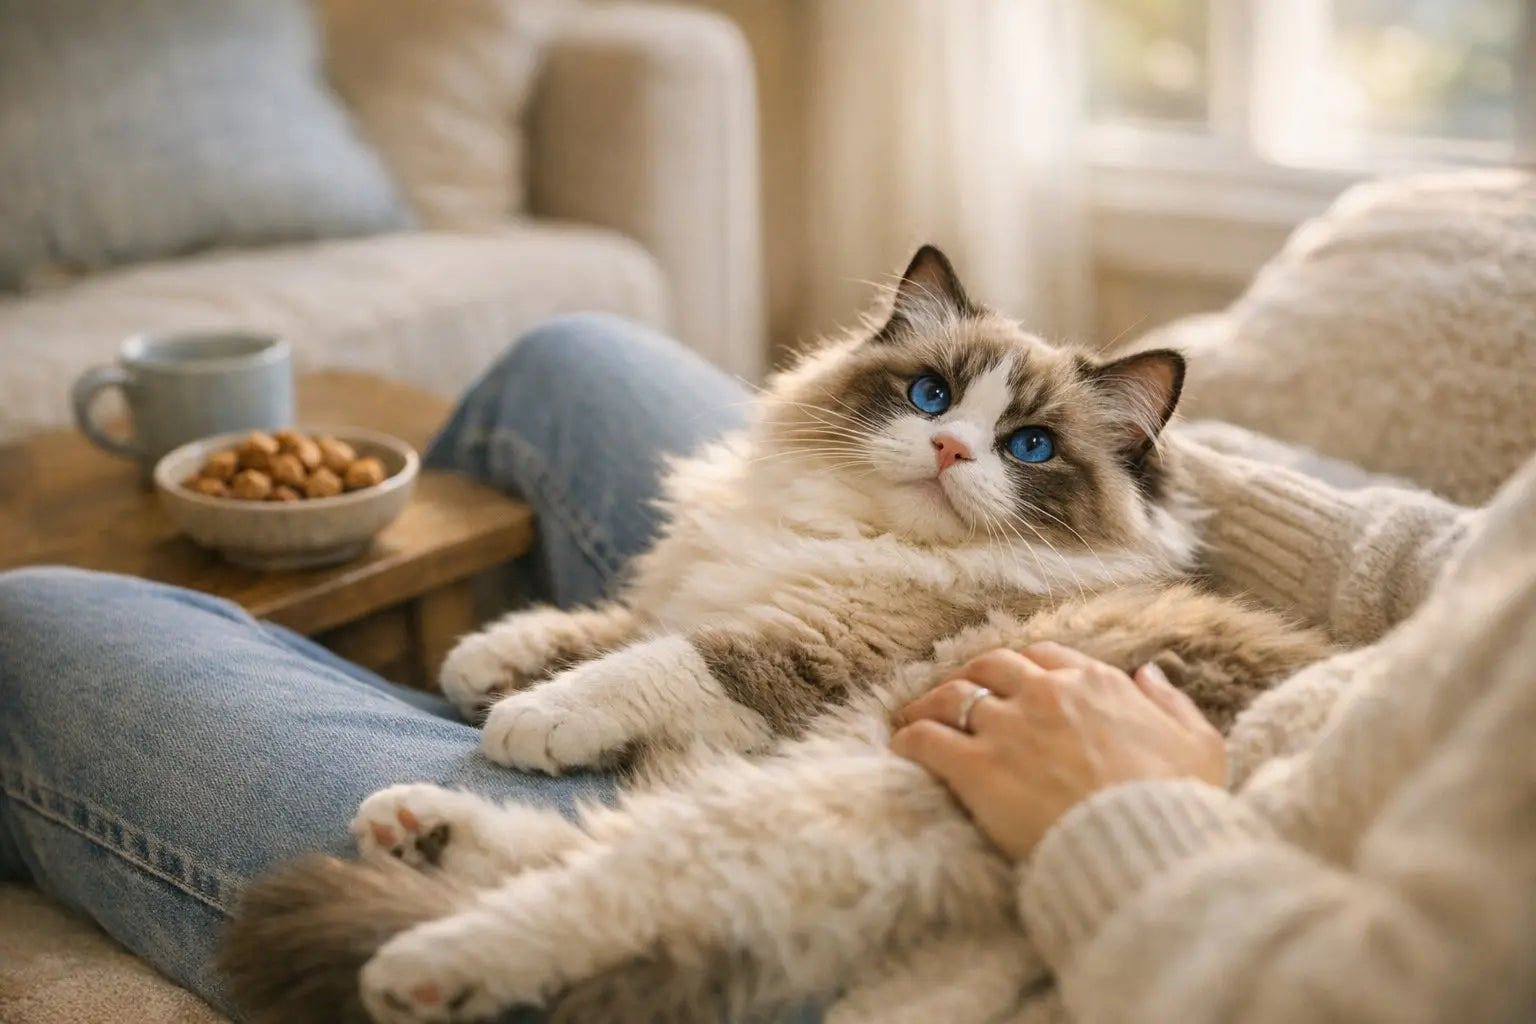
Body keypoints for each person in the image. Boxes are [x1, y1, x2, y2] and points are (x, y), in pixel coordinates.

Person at [0, 315, 1530, 1023]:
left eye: (1006, 443)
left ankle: (516, 850)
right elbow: (1465, 574)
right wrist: (1141, 470)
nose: (950, 441)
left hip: (1057, 897)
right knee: (574, 355)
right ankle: (468, 727)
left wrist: (1124, 829)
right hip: (1077, 671)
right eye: (934, 394)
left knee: (40, 624)